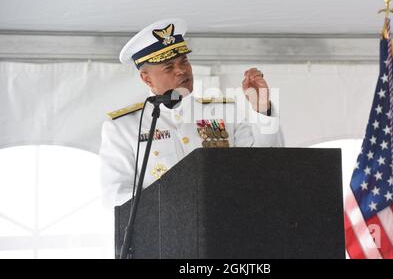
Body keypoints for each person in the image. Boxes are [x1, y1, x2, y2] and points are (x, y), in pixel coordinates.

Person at [100, 18, 284, 207]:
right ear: (146, 79)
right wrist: (172, 204)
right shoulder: (123, 127)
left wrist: (262, 108)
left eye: (184, 61)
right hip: (165, 233)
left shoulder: (224, 112)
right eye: (169, 67)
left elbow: (265, 165)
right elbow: (115, 194)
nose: (181, 70)